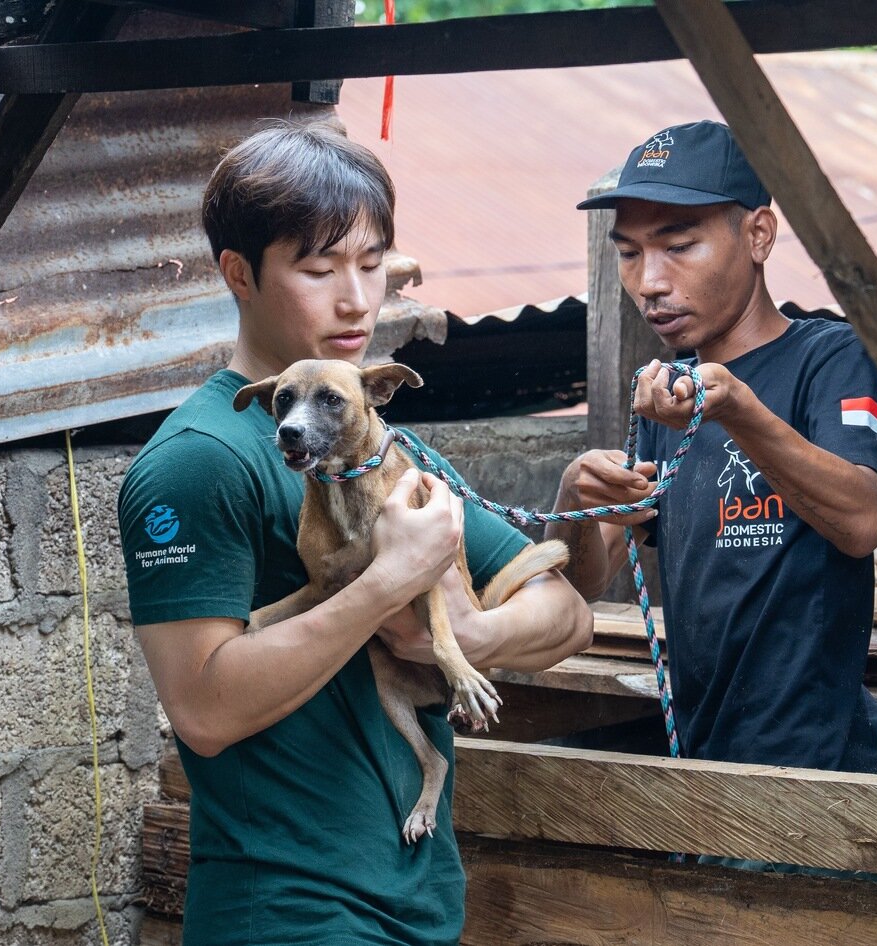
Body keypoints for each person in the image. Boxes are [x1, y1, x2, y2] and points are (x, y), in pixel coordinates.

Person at [118, 122, 592, 945]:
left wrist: (471, 630)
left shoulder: (383, 447)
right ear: (240, 274)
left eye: (371, 265)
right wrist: (385, 585)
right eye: (317, 268)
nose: (356, 300)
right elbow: (201, 709)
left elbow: (567, 613)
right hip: (291, 912)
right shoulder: (199, 462)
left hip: (419, 902)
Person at [548, 120, 877, 779]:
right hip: (703, 764)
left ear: (758, 236)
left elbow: (863, 522)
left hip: (820, 771)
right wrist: (574, 501)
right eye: (629, 253)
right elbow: (583, 587)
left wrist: (739, 409)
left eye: (678, 245)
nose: (650, 280)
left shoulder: (834, 359)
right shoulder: (668, 393)